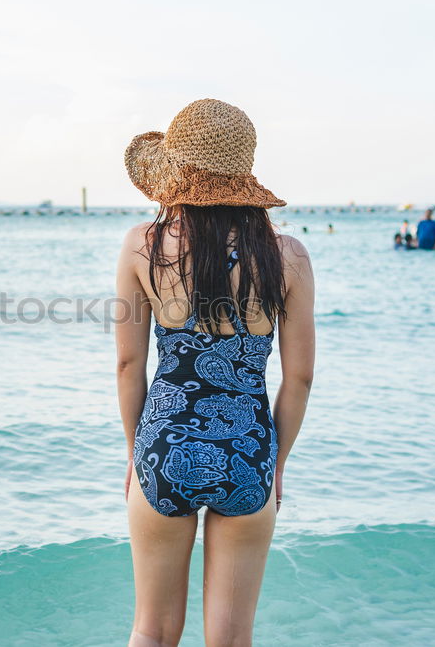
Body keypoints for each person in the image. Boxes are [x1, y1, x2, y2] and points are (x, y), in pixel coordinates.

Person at [116, 99, 315, 646]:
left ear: (176, 173)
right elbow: (298, 378)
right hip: (248, 448)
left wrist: (137, 452)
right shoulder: (286, 256)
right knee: (230, 638)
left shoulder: (142, 246)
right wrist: (274, 462)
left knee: (151, 632)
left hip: (163, 446)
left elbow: (129, 364)